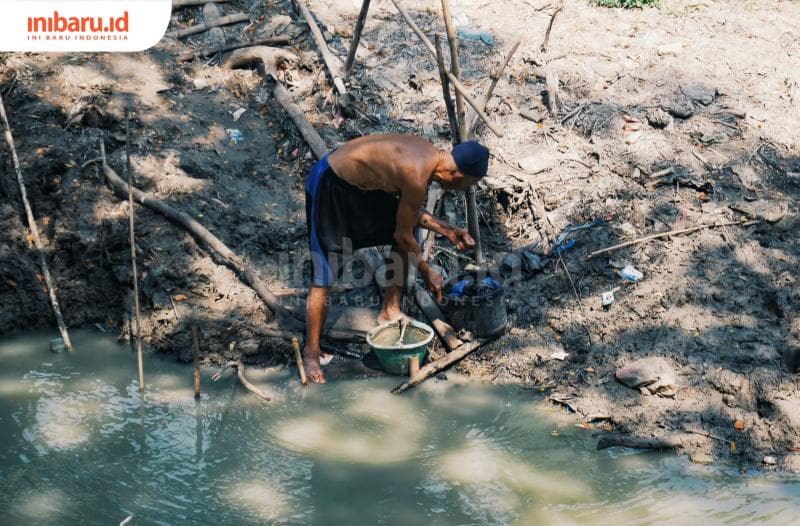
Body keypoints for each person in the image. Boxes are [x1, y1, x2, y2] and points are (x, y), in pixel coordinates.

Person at [303, 134, 489, 383]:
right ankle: (311, 352)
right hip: (330, 183)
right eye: (466, 185)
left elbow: (409, 216)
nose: (462, 190)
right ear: (457, 176)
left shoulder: (429, 156)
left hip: (361, 189)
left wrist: (447, 230)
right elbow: (401, 236)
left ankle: (390, 309)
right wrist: (426, 272)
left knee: (408, 231)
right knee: (325, 272)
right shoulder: (416, 175)